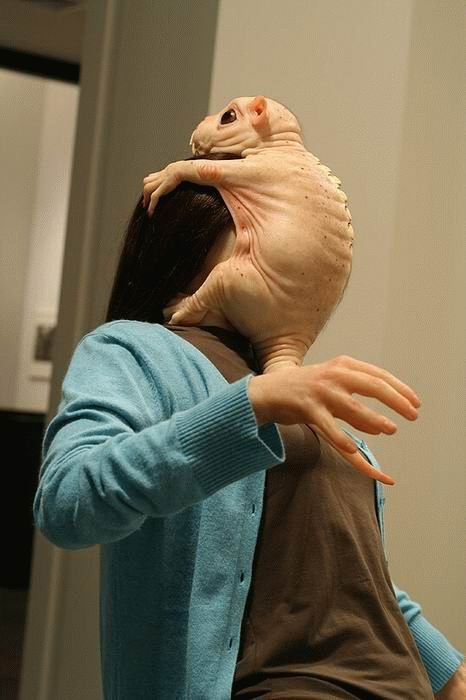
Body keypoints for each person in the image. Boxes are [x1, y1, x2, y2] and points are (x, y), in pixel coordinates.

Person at [33, 152, 464, 699]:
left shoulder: (284, 378)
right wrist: (251, 405)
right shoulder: (132, 350)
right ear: (196, 238)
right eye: (268, 219)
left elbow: (338, 574)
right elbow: (67, 502)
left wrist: (448, 671)